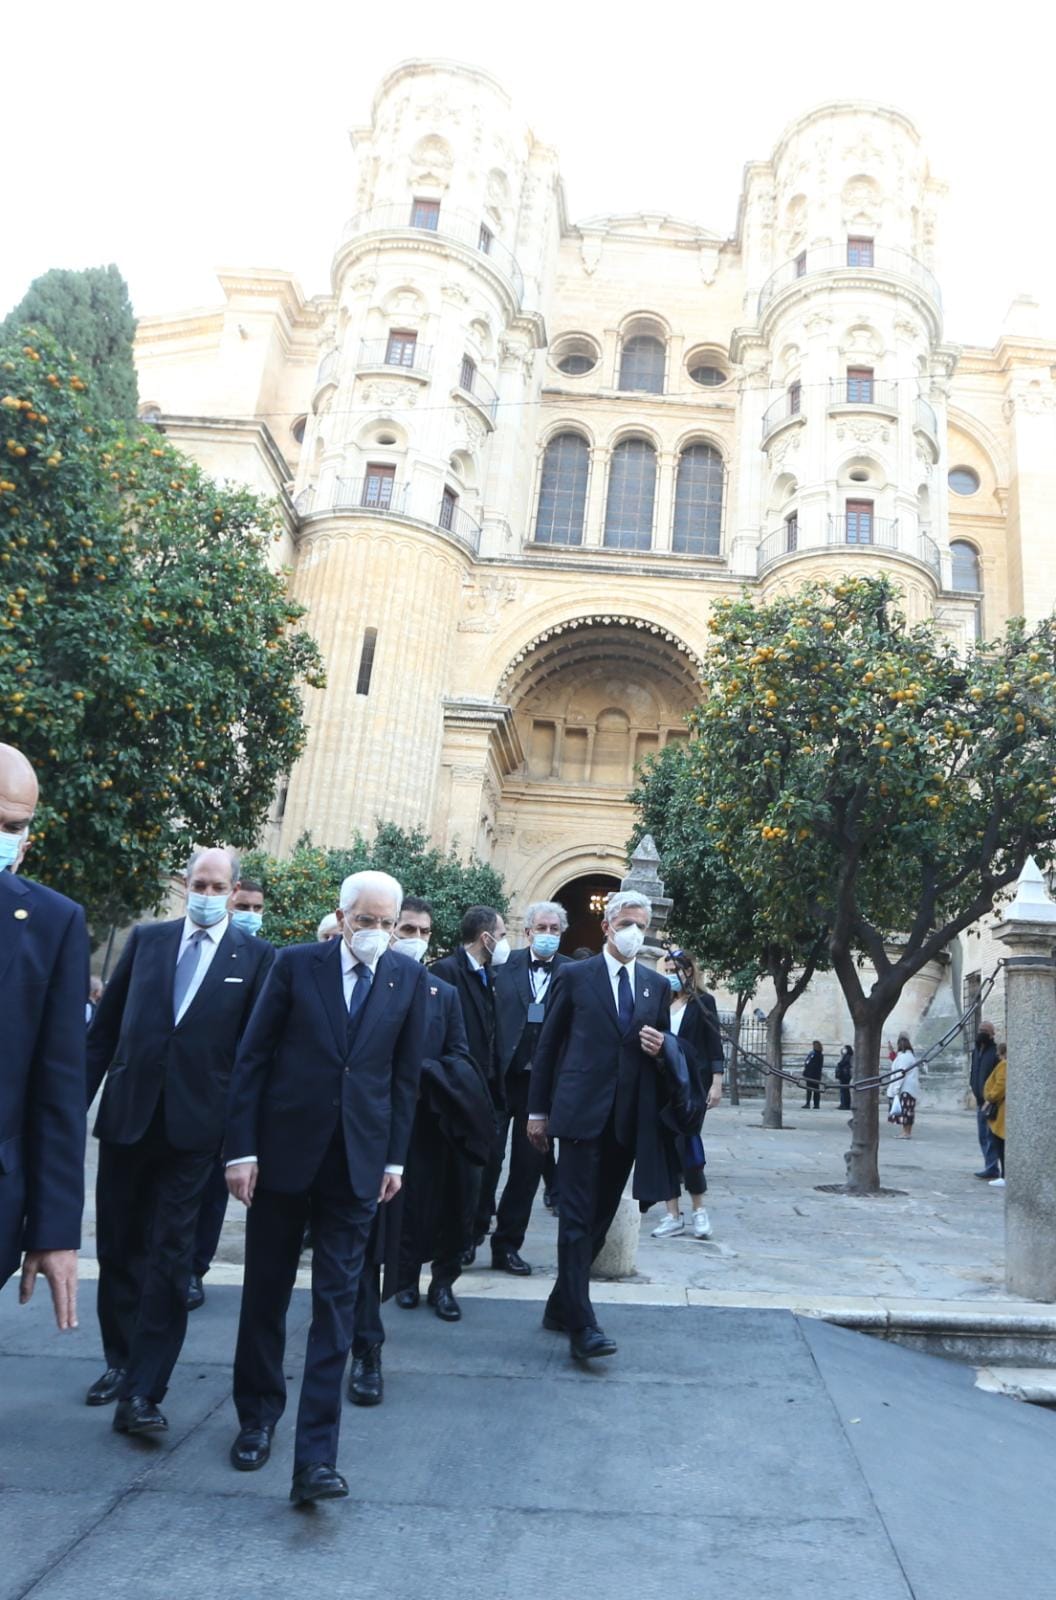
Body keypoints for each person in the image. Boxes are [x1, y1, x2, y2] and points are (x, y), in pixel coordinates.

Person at [225, 870, 426, 1506]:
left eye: (386, 924)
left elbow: (403, 1077)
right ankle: (257, 1418)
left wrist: (394, 1160)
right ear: (341, 918)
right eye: (364, 921)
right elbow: (252, 1058)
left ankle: (316, 1458)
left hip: (357, 1165)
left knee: (337, 1305)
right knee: (266, 1294)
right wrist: (242, 1150)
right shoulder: (294, 966)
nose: (375, 934)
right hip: (282, 1157)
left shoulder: (409, 977)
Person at [85, 847, 274, 1435]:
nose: (207, 894)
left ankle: (144, 1390)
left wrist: (244, 1143)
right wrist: (69, 1109)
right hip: (128, 1119)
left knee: (170, 1258)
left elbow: (255, 1058)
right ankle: (120, 1359)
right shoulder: (148, 941)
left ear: (234, 889)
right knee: (118, 1248)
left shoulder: (257, 957)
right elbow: (105, 1031)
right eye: (199, 883)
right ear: (186, 884)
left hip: (197, 1132)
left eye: (219, 886)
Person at [350, 897, 491, 1401]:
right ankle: (394, 1291)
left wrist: (426, 1074)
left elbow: (459, 1054)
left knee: (444, 1204)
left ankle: (442, 1281)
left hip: (432, 1123)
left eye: (420, 930)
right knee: (383, 1223)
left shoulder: (442, 993)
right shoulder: (366, 986)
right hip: (375, 1129)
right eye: (404, 927)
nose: (412, 936)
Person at [527, 890, 672, 1363]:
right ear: (608, 926)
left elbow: (667, 1054)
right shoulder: (575, 976)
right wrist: (537, 1111)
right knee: (574, 1218)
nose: (635, 931)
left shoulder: (655, 986)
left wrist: (660, 1048)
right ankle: (582, 1325)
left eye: (642, 924)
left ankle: (558, 1304)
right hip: (578, 1115)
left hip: (626, 1122)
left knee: (599, 1218)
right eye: (627, 922)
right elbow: (548, 1046)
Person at [1, 742, 89, 1332]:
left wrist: (54, 1230)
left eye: (14, 825)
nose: (5, 836)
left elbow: (58, 1087)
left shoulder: (54, 923)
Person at [187, 877, 273, 1311]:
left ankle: (194, 1269)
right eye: (244, 905)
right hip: (188, 1091)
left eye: (258, 907)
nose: (250, 914)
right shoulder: (187, 949)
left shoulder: (264, 958)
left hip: (229, 1097)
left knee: (210, 1193)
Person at [486, 901, 571, 1275]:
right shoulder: (503, 968)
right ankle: (469, 1233)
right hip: (501, 1081)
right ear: (528, 931)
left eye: (555, 929)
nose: (548, 934)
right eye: (543, 927)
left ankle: (507, 1245)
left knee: (527, 1169)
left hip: (542, 1089)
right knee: (485, 1162)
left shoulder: (574, 972)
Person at [429, 905, 507, 1259]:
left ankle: (469, 1237)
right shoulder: (444, 972)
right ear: (485, 938)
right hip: (456, 1091)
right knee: (453, 1177)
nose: (505, 943)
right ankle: (445, 1250)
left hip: (487, 1091)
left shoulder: (494, 974)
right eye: (502, 936)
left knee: (483, 1170)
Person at [651, 950, 723, 1241]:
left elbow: (714, 1044)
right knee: (665, 1147)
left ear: (689, 971)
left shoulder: (704, 1003)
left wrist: (716, 1082)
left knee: (689, 1146)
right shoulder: (660, 1002)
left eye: (674, 969)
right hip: (662, 1084)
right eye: (666, 968)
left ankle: (699, 1210)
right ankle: (672, 1214)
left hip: (692, 1086)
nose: (669, 974)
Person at [970, 1021, 1001, 1179]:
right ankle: (990, 1166)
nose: (982, 1032)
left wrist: (991, 1097)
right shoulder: (976, 1051)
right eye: (980, 1029)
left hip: (991, 1102)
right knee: (982, 1135)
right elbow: (973, 1072)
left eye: (985, 1030)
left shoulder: (995, 1053)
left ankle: (992, 1168)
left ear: (992, 1034)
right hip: (980, 1101)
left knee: (990, 1136)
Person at [886, 1032, 921, 1137]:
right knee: (908, 1111)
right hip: (910, 1088)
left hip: (905, 1088)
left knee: (905, 1111)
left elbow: (900, 1072)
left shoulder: (904, 1057)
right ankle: (907, 1132)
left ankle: (906, 1132)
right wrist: (891, 1051)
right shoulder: (909, 1056)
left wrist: (896, 1088)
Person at [983, 1045, 1007, 1188]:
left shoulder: (1004, 1064)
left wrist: (990, 1097)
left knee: (1000, 1143)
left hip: (1001, 1109)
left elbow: (1001, 1085)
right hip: (1002, 1107)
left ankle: (1005, 1175)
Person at [802, 1040, 824, 1109]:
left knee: (811, 1090)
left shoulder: (815, 1055)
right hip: (815, 1075)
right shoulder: (815, 1054)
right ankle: (815, 1104)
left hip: (812, 1074)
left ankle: (810, 1104)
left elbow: (810, 1064)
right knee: (815, 1090)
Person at [835, 1045, 854, 1112]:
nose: (843, 1050)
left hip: (845, 1075)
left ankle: (845, 1104)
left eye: (844, 1049)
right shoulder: (845, 1056)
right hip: (844, 1074)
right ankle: (843, 1103)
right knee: (843, 1090)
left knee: (844, 1090)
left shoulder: (848, 1056)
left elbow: (841, 1063)